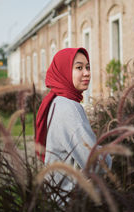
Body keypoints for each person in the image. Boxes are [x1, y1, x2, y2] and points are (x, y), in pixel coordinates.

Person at [36, 47, 111, 191]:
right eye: (79, 68)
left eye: (88, 67)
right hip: (70, 199)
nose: (87, 73)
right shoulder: (69, 108)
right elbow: (94, 163)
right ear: (63, 71)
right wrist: (108, 155)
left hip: (57, 194)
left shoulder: (57, 101)